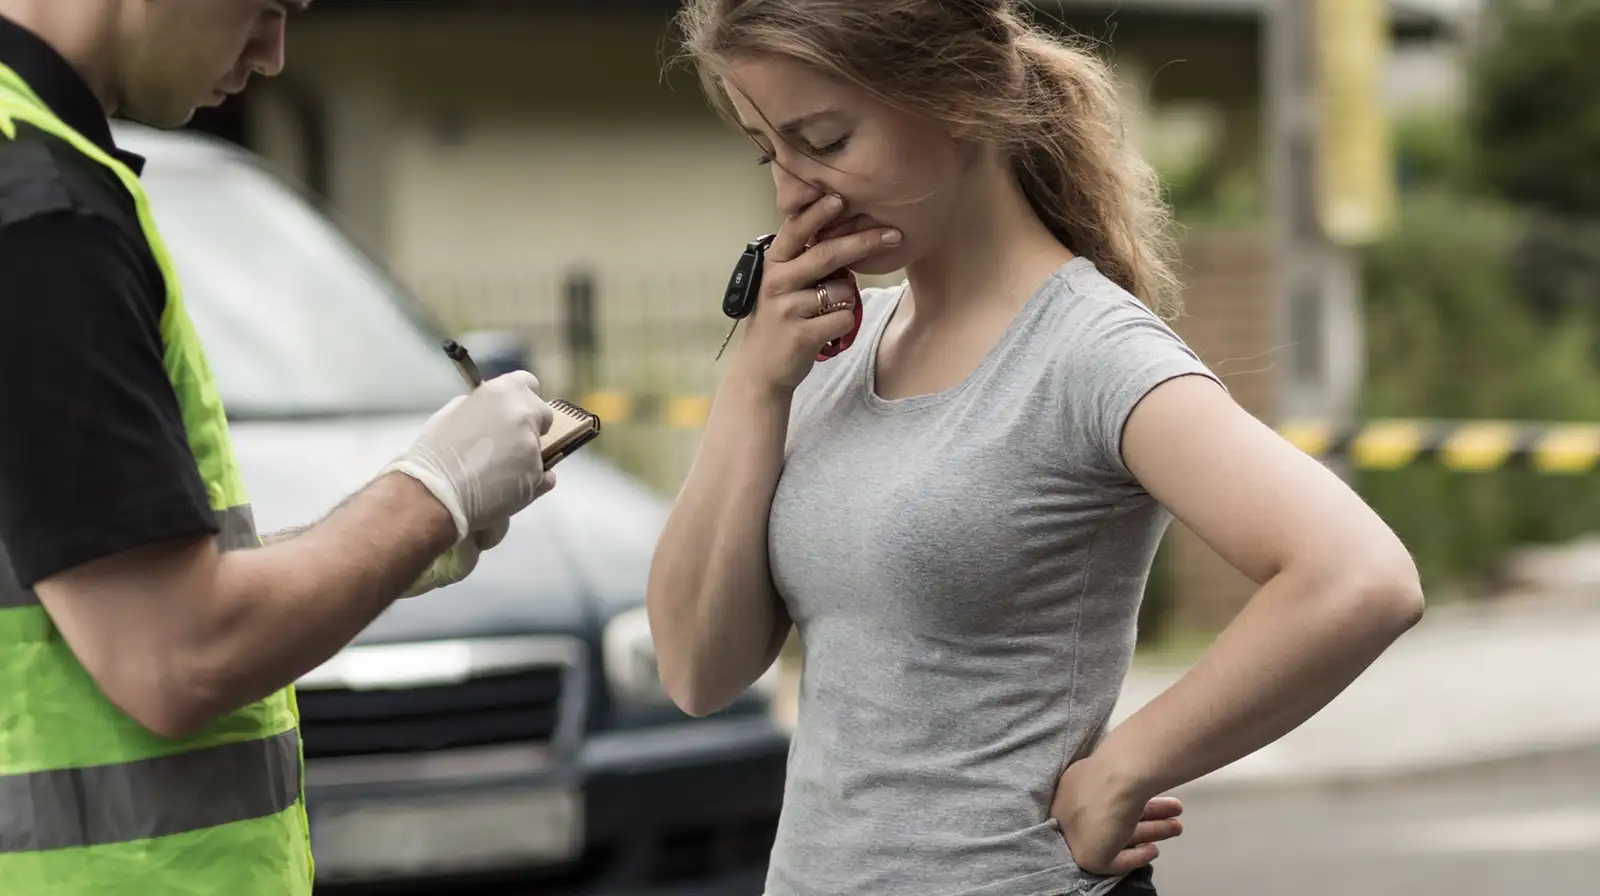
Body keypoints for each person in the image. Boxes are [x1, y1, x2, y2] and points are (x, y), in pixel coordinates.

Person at [646, 2, 1426, 895]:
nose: (792, 194)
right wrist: (754, 385)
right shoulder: (830, 357)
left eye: (824, 140)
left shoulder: (1088, 351)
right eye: (767, 152)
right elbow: (698, 672)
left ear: (958, 102)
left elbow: (1360, 578)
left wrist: (1125, 769)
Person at [0, 1, 558, 892]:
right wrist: (431, 490)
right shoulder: (40, 210)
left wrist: (380, 546)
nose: (273, 51)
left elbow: (79, 582)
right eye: (264, 5)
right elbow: (174, 657)